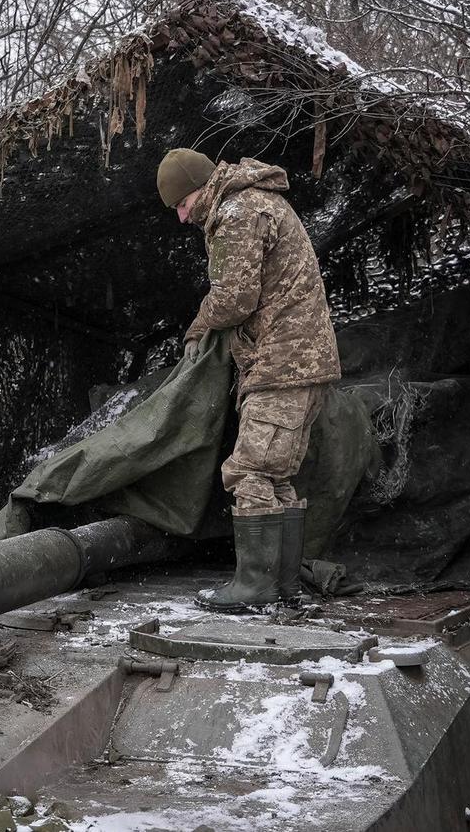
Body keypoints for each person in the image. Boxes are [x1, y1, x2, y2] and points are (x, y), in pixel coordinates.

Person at [156, 147, 340, 611]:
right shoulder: (258, 202)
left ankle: (254, 588)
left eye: (181, 205)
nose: (181, 218)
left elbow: (235, 298)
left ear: (197, 189)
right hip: (297, 360)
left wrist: (199, 323)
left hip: (282, 362)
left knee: (250, 470)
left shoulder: (237, 211)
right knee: (276, 476)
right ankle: (281, 589)